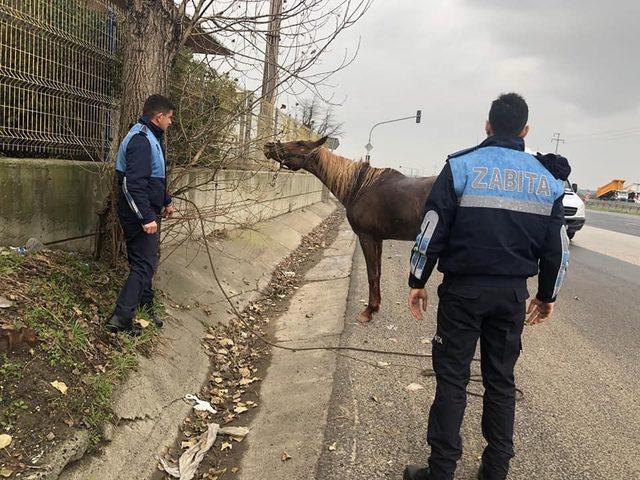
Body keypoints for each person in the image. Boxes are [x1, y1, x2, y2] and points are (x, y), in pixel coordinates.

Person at [403, 93, 571, 480]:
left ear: (487, 125)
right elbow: (556, 249)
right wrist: (547, 296)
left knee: (452, 379)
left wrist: (418, 280)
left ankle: (441, 471)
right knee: (501, 381)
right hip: (511, 296)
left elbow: (431, 230)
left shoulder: (460, 167)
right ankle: (495, 471)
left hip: (462, 293)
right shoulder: (547, 181)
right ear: (526, 131)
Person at [106, 94, 176, 334]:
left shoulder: (152, 138)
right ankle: (120, 319)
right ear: (159, 117)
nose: (171, 122)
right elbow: (132, 184)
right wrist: (145, 217)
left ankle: (145, 306)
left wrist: (165, 201)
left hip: (147, 211)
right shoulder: (140, 139)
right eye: (169, 118)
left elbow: (154, 177)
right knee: (144, 264)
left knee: (148, 260)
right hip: (137, 214)